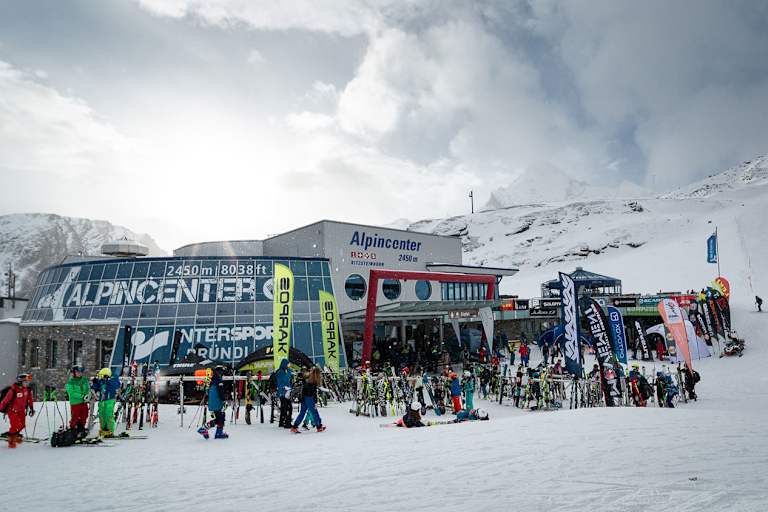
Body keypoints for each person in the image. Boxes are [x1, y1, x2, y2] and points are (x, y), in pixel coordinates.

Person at [0, 374, 35, 447]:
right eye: (25, 382)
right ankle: (11, 441)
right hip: (12, 410)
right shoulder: (13, 390)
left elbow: (30, 400)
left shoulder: (27, 390)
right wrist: (1, 408)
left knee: (22, 425)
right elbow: (5, 400)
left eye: (27, 382)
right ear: (20, 382)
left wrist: (31, 409)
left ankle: (14, 435)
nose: (26, 384)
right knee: (15, 425)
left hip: (21, 410)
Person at [198, 365, 229, 439]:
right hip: (217, 403)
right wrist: (224, 400)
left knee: (219, 418)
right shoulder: (219, 380)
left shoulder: (212, 380)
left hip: (211, 403)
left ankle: (213, 431)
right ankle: (207, 430)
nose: (222, 374)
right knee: (220, 418)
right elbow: (220, 392)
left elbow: (208, 391)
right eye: (222, 372)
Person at [291, 367, 325, 433]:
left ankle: (294, 427)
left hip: (304, 397)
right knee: (314, 412)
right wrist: (315, 401)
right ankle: (319, 427)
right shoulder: (313, 381)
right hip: (309, 398)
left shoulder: (308, 378)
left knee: (302, 412)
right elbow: (313, 392)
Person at [93, 368, 120, 437]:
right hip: (102, 401)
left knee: (108, 415)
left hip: (110, 400)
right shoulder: (101, 382)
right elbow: (95, 388)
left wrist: (110, 379)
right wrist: (95, 382)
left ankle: (110, 430)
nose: (101, 378)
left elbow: (117, 385)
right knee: (101, 415)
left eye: (102, 376)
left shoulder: (112, 382)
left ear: (106, 376)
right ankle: (103, 429)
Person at [65, 365, 91, 436]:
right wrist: (82, 397)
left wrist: (88, 396)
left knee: (84, 415)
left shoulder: (84, 380)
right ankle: (73, 429)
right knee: (75, 416)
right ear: (73, 373)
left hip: (84, 402)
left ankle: (81, 429)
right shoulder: (70, 382)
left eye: (81, 372)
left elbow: (88, 389)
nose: (80, 373)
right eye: (77, 372)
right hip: (76, 403)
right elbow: (72, 393)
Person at [275, 358, 293, 429]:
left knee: (284, 408)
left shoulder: (281, 371)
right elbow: (285, 380)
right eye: (287, 364)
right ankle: (287, 423)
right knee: (288, 408)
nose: (288, 365)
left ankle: (282, 422)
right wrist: (289, 372)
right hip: (283, 393)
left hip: (284, 392)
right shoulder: (281, 372)